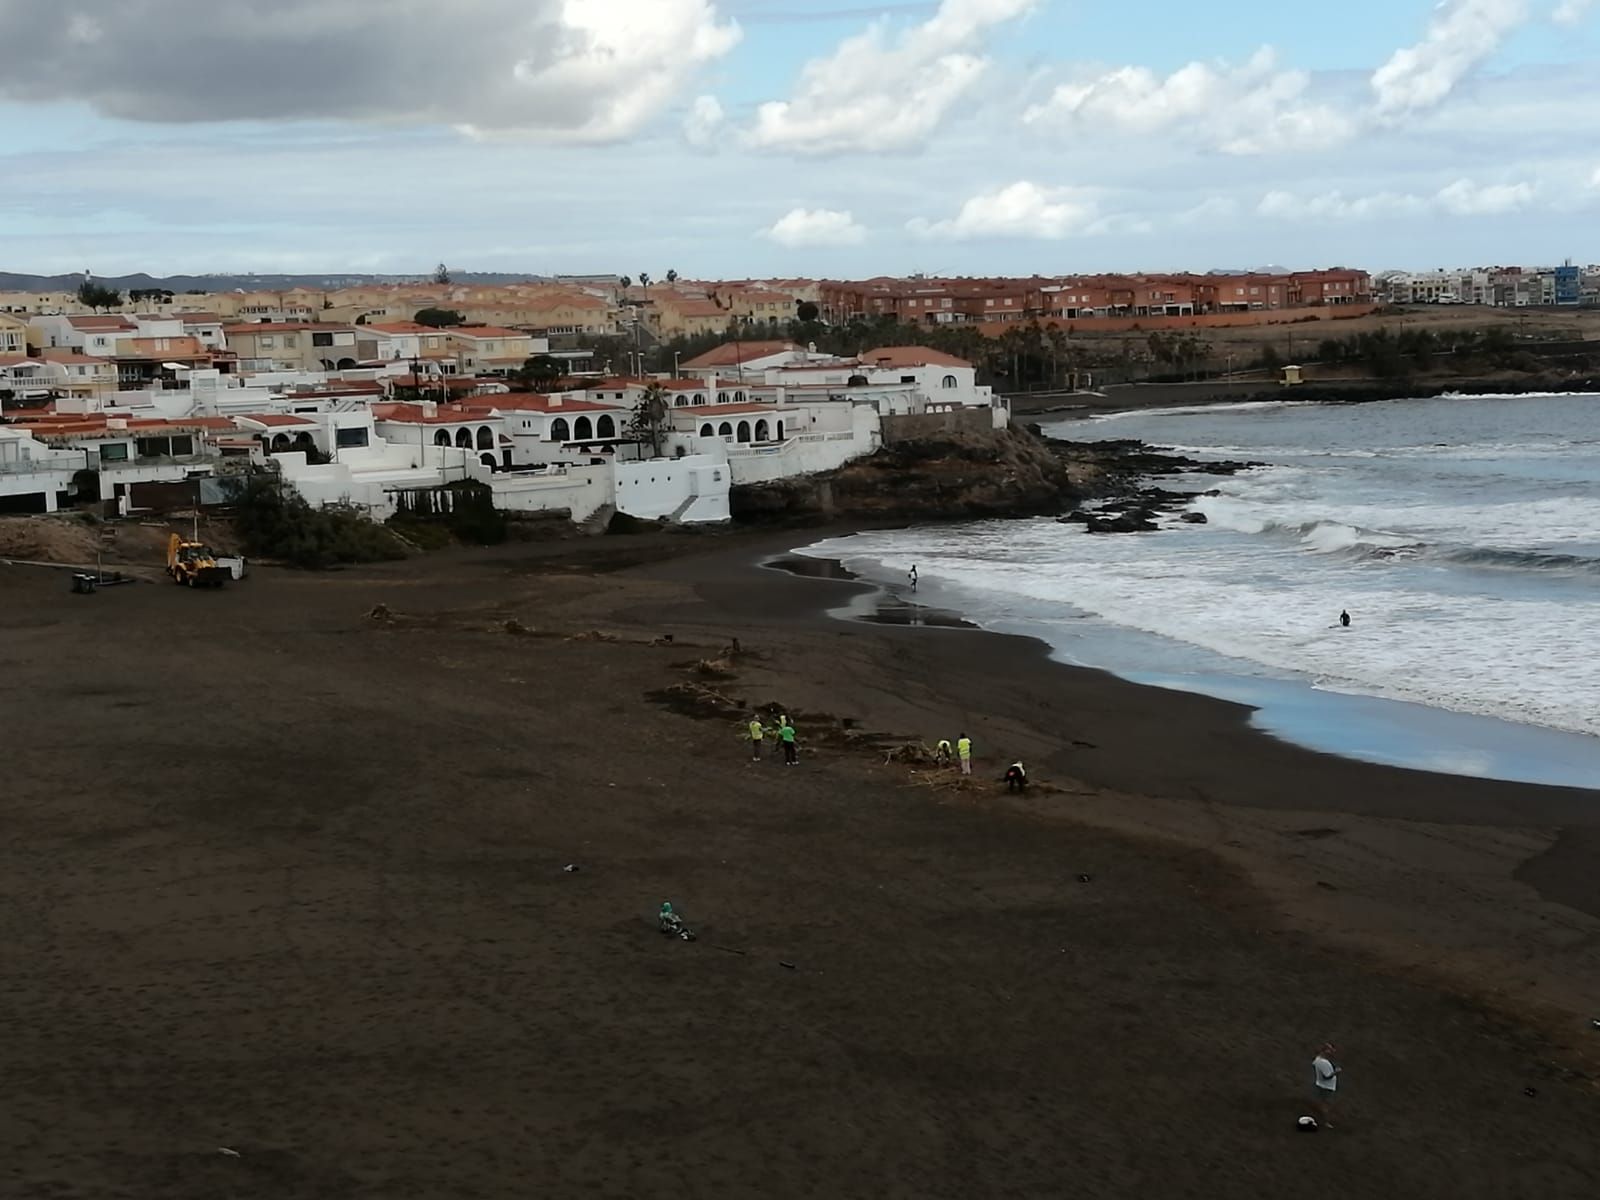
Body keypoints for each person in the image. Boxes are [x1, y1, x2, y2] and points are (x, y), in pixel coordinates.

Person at [1311, 1043, 1341, 1127]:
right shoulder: (1322, 1063)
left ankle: (1322, 1120)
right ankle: (1325, 1122)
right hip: (1326, 1087)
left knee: (1324, 1104)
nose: (1331, 1052)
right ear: (1324, 1051)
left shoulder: (1318, 1060)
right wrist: (1336, 1072)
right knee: (1326, 1105)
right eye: (1329, 1050)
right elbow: (1327, 1076)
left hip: (1322, 1085)